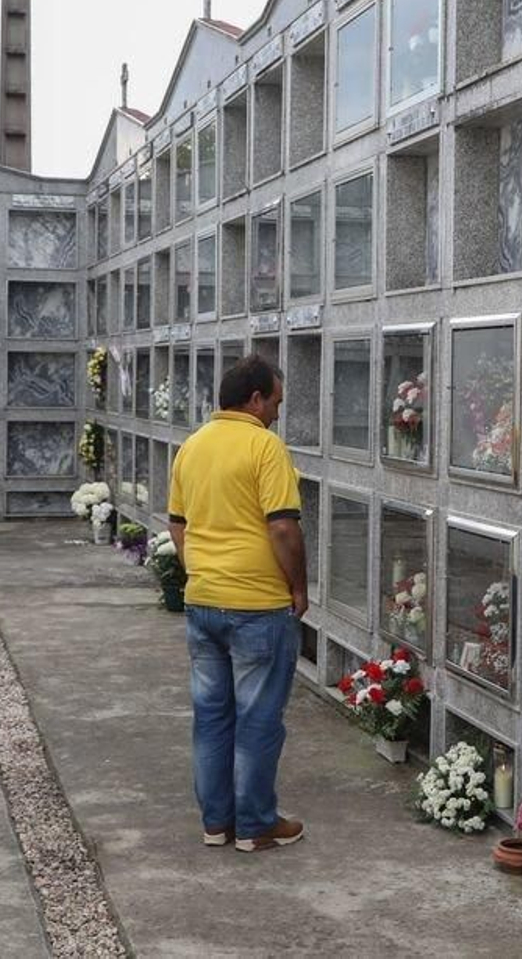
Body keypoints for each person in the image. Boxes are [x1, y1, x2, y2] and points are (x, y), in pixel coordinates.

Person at [167, 354, 309, 853]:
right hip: (258, 605)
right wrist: (299, 587)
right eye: (275, 402)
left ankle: (216, 824)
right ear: (254, 399)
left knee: (211, 716)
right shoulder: (265, 447)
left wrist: (200, 571)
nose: (276, 413)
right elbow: (283, 526)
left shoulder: (192, 447)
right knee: (258, 719)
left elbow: (177, 524)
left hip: (203, 602)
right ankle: (255, 825)